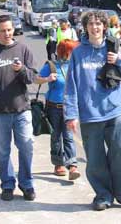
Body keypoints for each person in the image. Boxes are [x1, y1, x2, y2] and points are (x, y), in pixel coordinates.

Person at [64, 10, 121, 211]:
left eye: (99, 24)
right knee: (95, 160)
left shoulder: (113, 46)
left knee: (119, 151)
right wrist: (71, 115)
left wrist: (118, 60)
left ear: (104, 26)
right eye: (91, 24)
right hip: (90, 114)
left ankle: (120, 190)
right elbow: (71, 86)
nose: (95, 27)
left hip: (114, 109)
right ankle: (103, 194)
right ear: (85, 28)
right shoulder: (78, 53)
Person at [0, 14, 36, 202]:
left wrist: (20, 70)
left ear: (14, 29)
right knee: (3, 151)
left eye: (9, 29)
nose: (6, 33)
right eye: (2, 30)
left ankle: (26, 184)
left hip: (22, 110)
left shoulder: (23, 49)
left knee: (27, 148)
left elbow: (31, 78)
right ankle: (7, 184)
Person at [36, 39, 81, 180]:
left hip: (69, 108)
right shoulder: (51, 65)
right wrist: (47, 79)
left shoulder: (75, 65)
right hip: (53, 107)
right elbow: (36, 79)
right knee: (56, 136)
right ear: (65, 51)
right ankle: (58, 164)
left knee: (68, 136)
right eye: (72, 51)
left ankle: (72, 165)